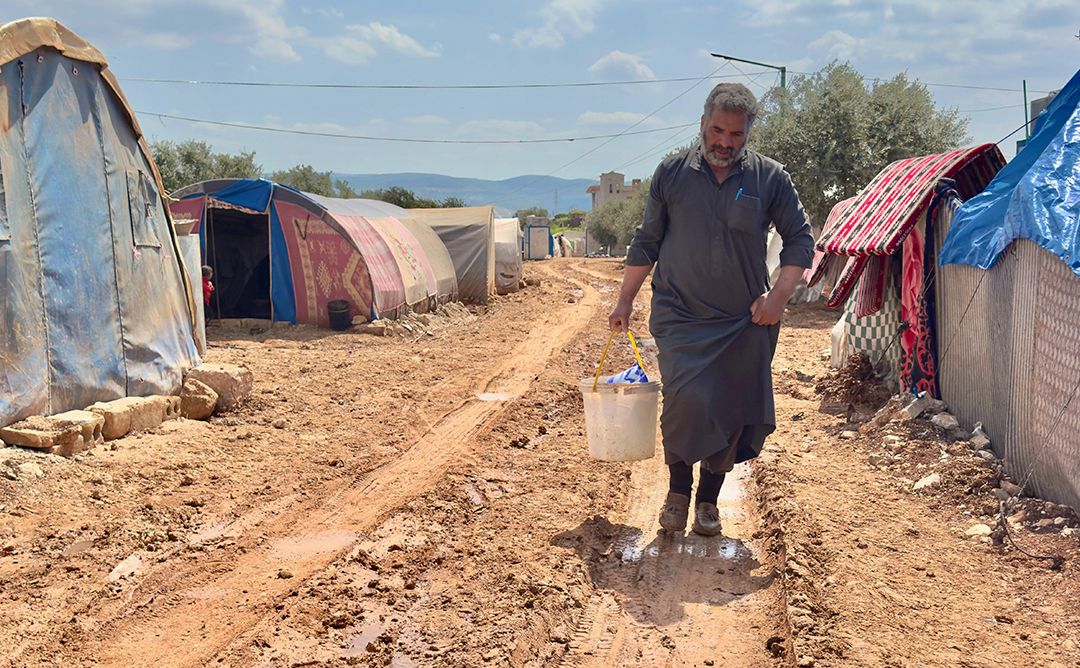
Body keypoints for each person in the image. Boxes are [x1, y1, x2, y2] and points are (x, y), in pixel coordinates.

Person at [609, 83, 814, 537]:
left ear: (748, 134)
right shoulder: (671, 173)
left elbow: (801, 239)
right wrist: (625, 299)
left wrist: (778, 298)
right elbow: (647, 240)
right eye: (717, 130)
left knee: (729, 409)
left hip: (743, 320)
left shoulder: (769, 179)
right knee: (686, 399)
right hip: (679, 314)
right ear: (702, 124)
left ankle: (707, 502)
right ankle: (677, 491)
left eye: (736, 135)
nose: (725, 141)